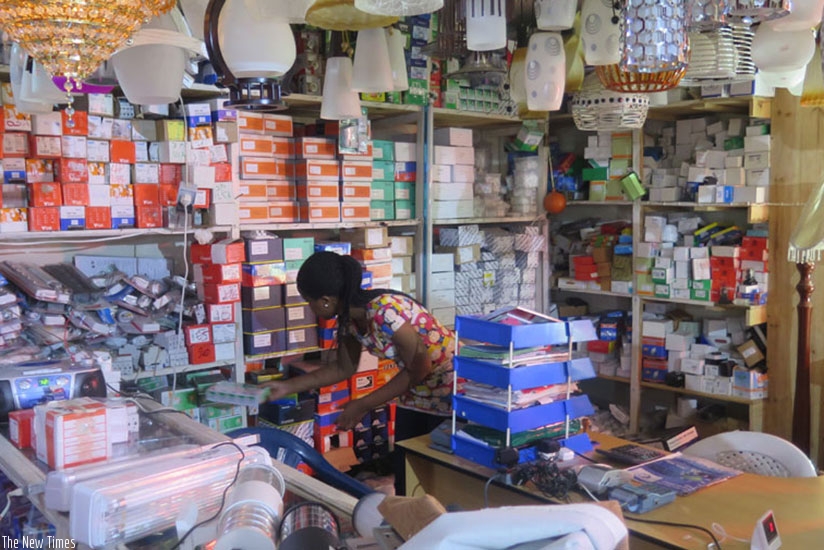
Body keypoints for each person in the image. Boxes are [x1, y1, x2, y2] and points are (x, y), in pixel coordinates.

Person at [264, 251, 456, 494]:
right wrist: (286, 387)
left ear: (325, 300)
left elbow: (420, 366)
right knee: (407, 474)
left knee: (439, 478)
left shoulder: (385, 312)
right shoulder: (350, 321)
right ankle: (410, 523)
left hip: (450, 389)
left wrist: (363, 404)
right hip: (416, 393)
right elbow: (342, 368)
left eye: (308, 301)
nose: (309, 308)